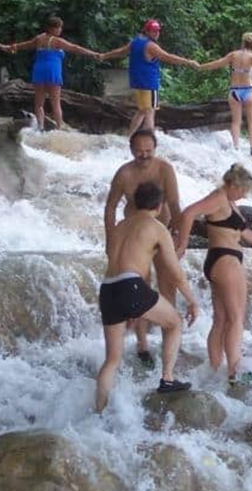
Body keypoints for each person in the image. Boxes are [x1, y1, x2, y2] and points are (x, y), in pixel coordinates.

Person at [95, 182, 198, 411]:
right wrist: (192, 300)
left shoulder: (120, 226)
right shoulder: (157, 227)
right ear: (159, 207)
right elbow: (175, 274)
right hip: (130, 285)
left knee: (112, 359)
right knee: (174, 323)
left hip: (108, 288)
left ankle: (98, 412)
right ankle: (168, 379)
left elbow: (117, 261)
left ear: (134, 203)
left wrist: (133, 308)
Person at [176, 164, 252, 385]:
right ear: (233, 184)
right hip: (226, 260)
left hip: (220, 260)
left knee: (221, 319)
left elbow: (244, 232)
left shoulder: (229, 202)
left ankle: (215, 368)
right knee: (236, 318)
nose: (243, 195)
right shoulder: (219, 197)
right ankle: (234, 371)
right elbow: (188, 213)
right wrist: (182, 245)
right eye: (242, 190)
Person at [104, 129, 181, 367]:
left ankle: (168, 336)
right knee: (140, 286)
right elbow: (110, 208)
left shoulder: (165, 169)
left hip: (162, 232)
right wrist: (110, 240)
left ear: (155, 149)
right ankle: (142, 344)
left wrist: (178, 236)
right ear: (131, 150)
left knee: (168, 284)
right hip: (135, 239)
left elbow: (175, 204)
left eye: (149, 151)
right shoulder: (124, 174)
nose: (144, 156)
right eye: (139, 152)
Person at [100, 19, 200, 137]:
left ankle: (131, 136)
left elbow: (121, 52)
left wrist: (105, 56)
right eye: (153, 31)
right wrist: (188, 62)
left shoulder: (135, 42)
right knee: (149, 112)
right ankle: (150, 139)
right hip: (149, 83)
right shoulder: (151, 46)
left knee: (142, 111)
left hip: (138, 82)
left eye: (158, 31)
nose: (157, 33)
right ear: (146, 31)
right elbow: (169, 57)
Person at [11, 16, 100, 130]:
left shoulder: (39, 38)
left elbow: (26, 45)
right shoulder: (57, 41)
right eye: (58, 28)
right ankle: (59, 127)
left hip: (39, 70)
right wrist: (93, 54)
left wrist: (14, 46)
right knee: (55, 103)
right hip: (52, 71)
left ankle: (40, 127)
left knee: (38, 103)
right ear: (51, 28)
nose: (60, 30)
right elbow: (75, 48)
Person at [199, 32, 252, 155]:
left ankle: (236, 147)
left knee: (236, 121)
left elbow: (218, 63)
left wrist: (201, 67)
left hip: (235, 91)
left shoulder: (233, 55)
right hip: (249, 91)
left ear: (243, 42)